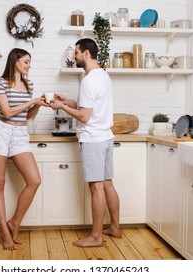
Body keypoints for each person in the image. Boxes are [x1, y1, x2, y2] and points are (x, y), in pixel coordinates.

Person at [50, 38, 121, 247]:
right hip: (105, 137)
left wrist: (61, 108)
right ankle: (115, 227)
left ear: (86, 54)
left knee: (96, 188)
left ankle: (96, 237)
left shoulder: (90, 80)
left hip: (93, 140)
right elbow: (87, 107)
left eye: (76, 52)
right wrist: (65, 101)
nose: (74, 56)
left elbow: (83, 117)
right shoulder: (102, 76)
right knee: (107, 184)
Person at [0, 48, 48, 250]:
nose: (29, 65)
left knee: (34, 180)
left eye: (30, 62)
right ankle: (4, 232)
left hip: (20, 135)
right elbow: (7, 111)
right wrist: (31, 101)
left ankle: (14, 222)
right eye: (26, 61)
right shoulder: (0, 83)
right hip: (1, 132)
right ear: (16, 61)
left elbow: (25, 117)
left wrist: (38, 104)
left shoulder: (29, 85)